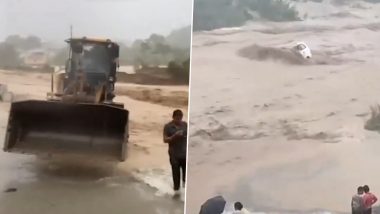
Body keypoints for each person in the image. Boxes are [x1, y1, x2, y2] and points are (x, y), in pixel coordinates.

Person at [163, 109, 187, 197]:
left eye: (180, 118)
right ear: (173, 117)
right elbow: (165, 140)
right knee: (176, 176)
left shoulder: (185, 125)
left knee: (186, 178)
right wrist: (174, 136)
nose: (179, 120)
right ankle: (176, 194)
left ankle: (185, 196)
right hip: (174, 155)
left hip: (184, 154)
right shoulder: (168, 126)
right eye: (177, 119)